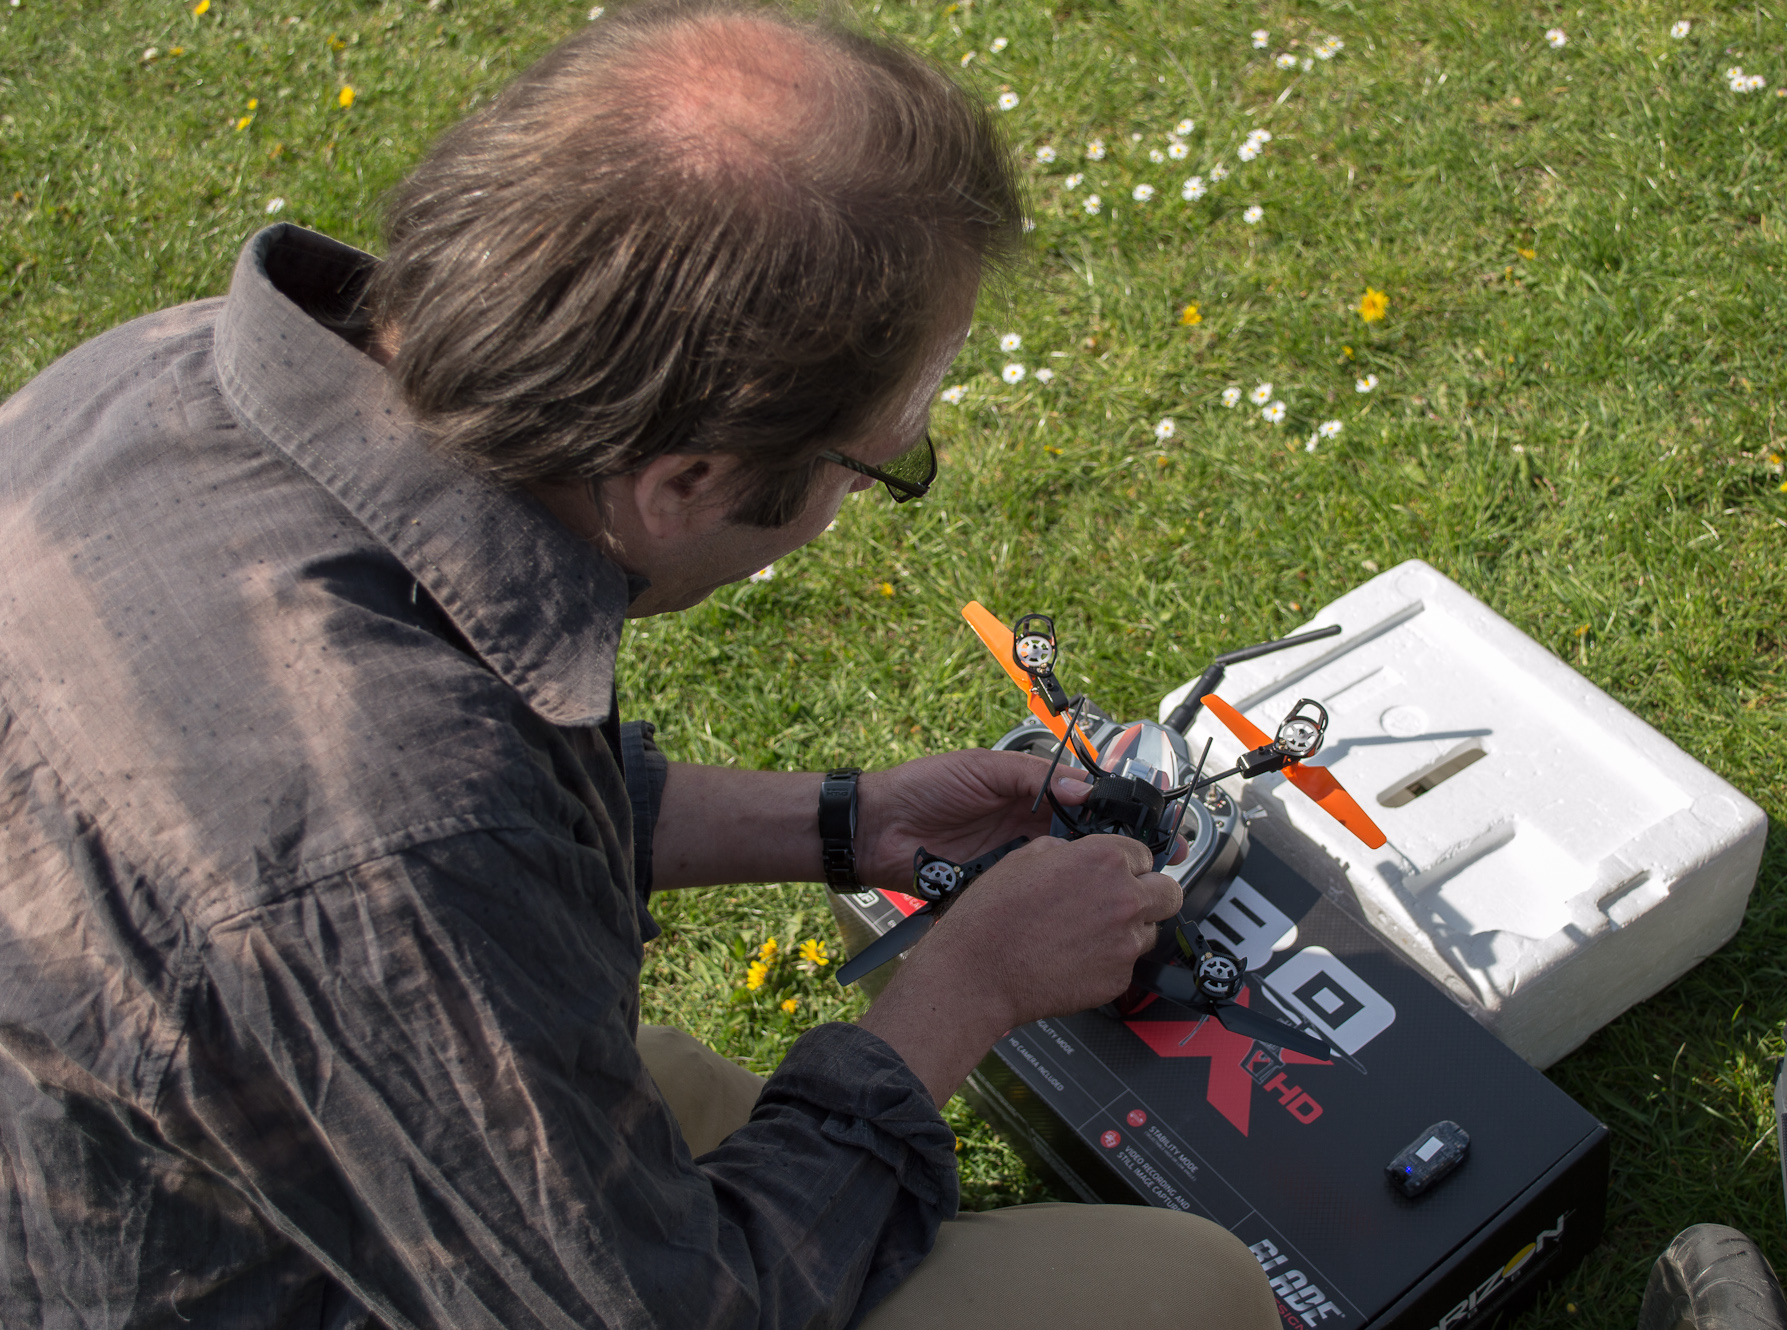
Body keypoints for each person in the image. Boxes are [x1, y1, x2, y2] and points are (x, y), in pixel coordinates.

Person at [0, 2, 1279, 1327]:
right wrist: (971, 984)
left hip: (203, 1147)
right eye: (882, 460)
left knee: (674, 1077)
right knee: (1185, 1289)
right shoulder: (399, 847)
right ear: (685, 481)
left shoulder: (165, 375)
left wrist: (851, 819)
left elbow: (452, 777)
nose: (880, 484)